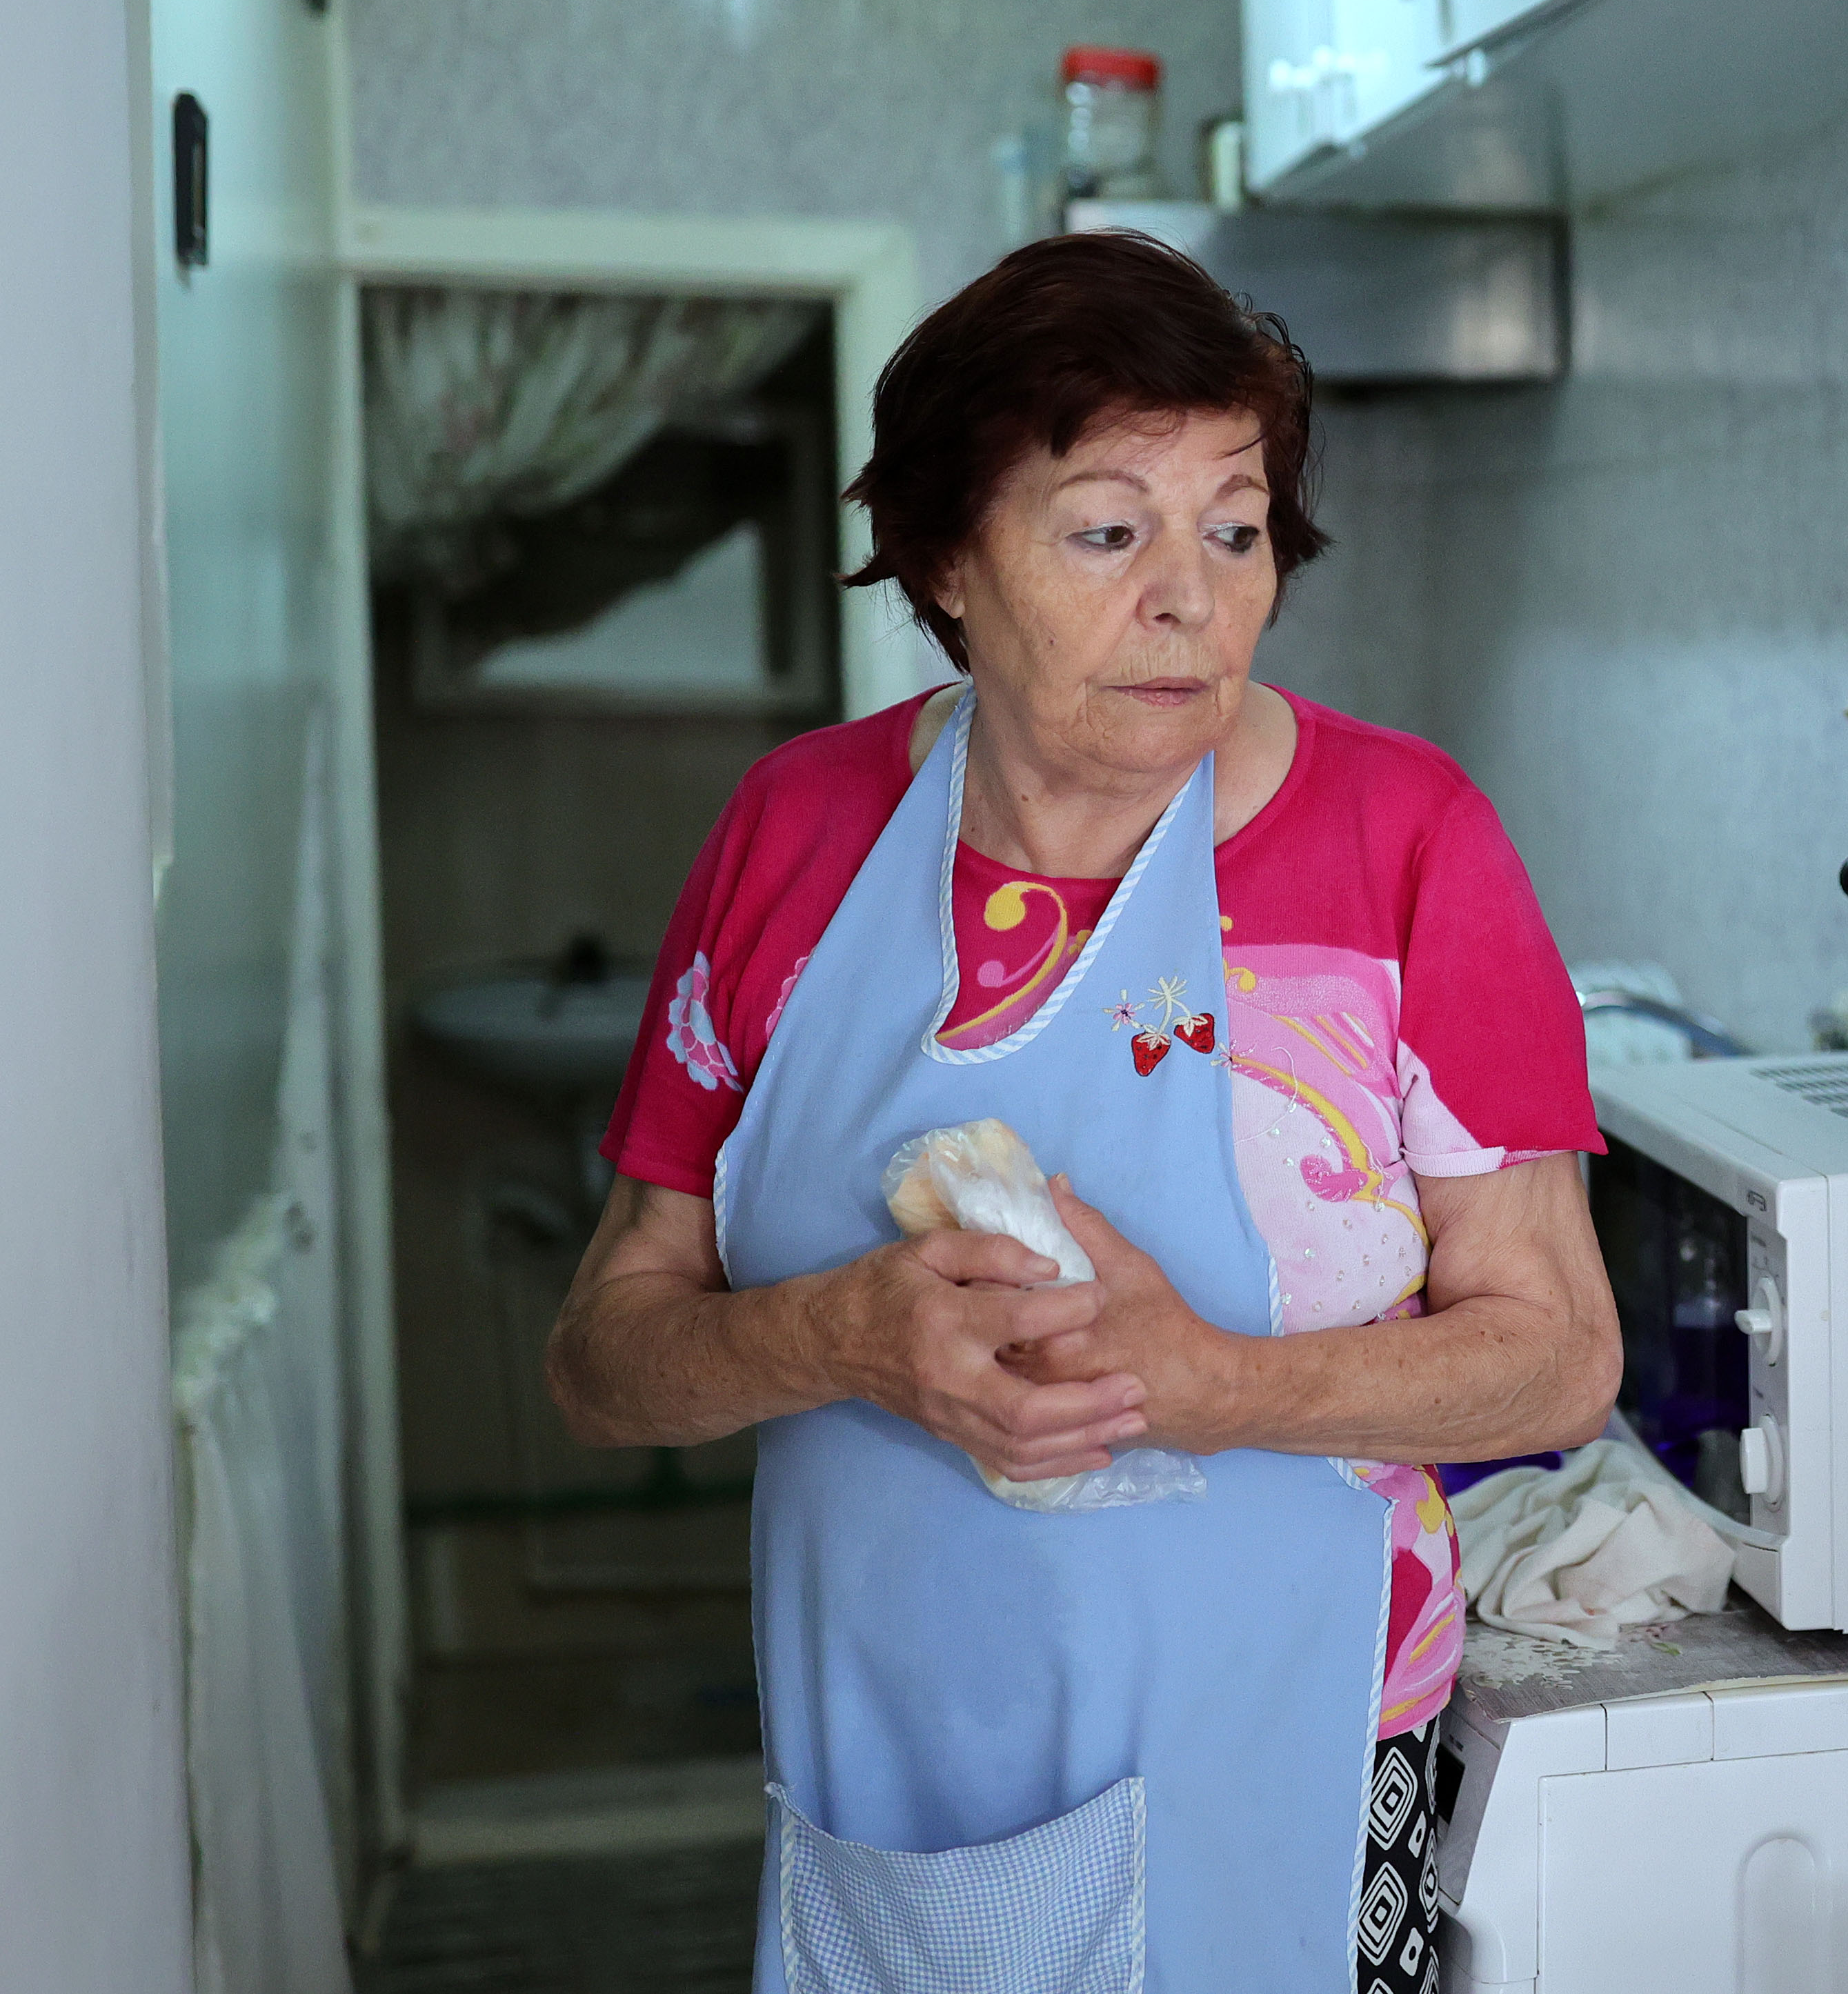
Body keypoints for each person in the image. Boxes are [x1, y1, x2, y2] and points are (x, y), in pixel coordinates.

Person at [545, 230, 1620, 1994]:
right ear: (948, 562)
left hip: (1298, 1749)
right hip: (892, 1765)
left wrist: (1209, 1385)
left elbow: (1559, 1356)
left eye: (1236, 524)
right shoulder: (792, 837)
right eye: (1110, 530)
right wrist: (835, 1338)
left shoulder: (1406, 845)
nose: (1190, 597)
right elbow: (602, 1361)